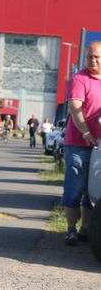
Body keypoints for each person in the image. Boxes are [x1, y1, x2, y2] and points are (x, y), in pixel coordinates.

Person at [61, 41, 101, 246]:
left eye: (96, 57)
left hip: (99, 147)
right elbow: (75, 108)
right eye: (89, 57)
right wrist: (85, 132)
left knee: (92, 192)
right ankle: (71, 231)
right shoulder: (79, 79)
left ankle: (86, 230)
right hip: (78, 145)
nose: (92, 60)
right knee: (74, 189)